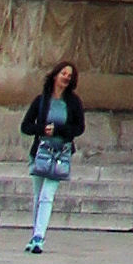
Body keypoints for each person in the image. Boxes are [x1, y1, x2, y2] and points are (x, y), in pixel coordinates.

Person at [19, 58, 85, 252]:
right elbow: (26, 126)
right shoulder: (41, 101)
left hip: (60, 154)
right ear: (55, 75)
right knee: (38, 195)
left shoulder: (73, 102)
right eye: (63, 73)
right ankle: (34, 234)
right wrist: (42, 129)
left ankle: (39, 237)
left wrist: (59, 130)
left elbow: (79, 127)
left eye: (69, 75)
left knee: (47, 195)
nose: (65, 77)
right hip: (41, 152)